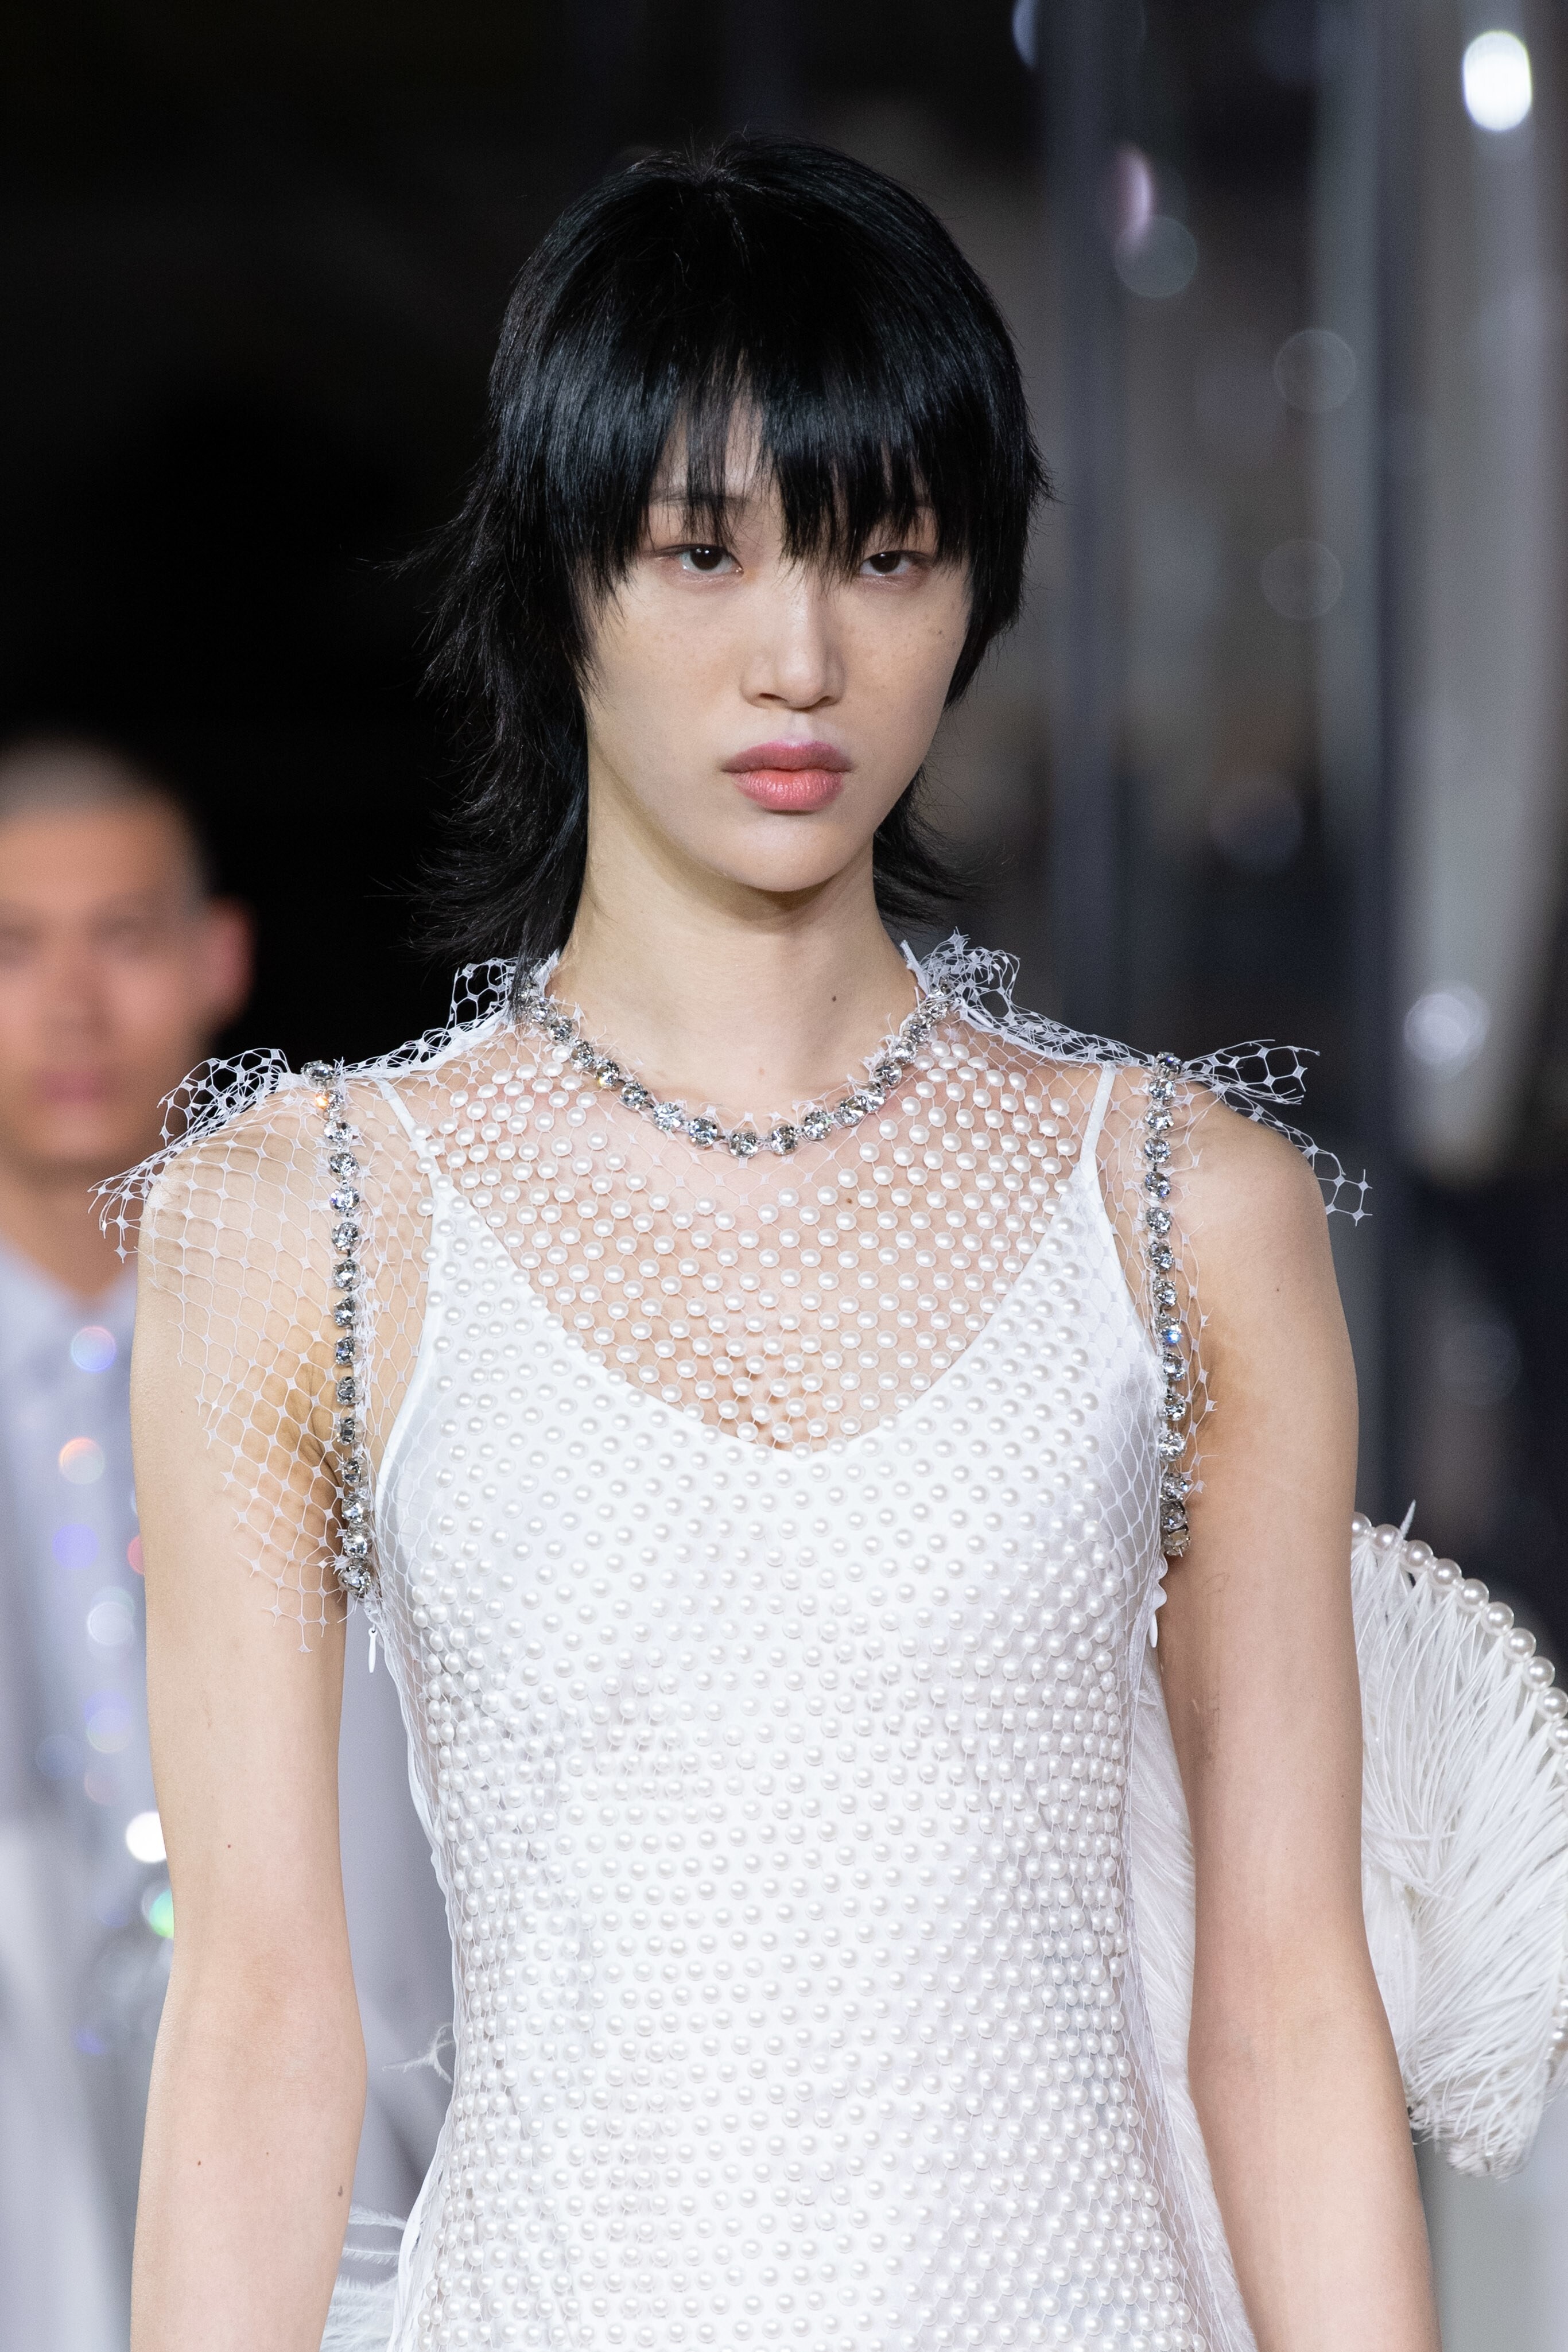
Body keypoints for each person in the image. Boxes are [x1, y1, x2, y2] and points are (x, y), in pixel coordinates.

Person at [123, 141, 1445, 2352]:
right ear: (556, 571)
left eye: (888, 552)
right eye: (701, 550)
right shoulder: (302, 1224)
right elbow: (256, 2017)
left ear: (978, 590)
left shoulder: (1179, 1207)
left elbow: (1286, 1998)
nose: (803, 655)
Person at [0, 738, 452, 2350]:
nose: (71, 1007)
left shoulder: (382, 1342)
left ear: (216, 959)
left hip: (363, 2169)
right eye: (12, 946)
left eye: (121, 937)